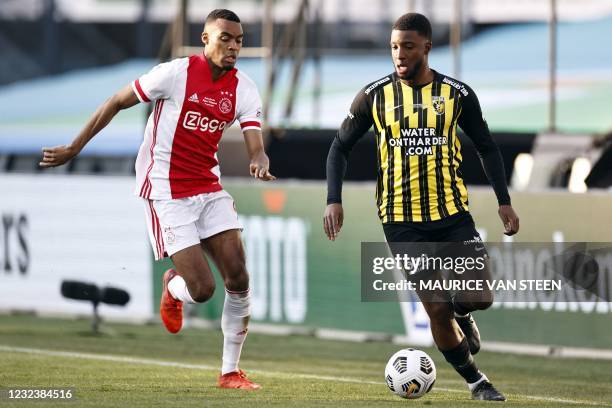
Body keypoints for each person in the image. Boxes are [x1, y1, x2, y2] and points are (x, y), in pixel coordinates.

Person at [39, 8, 273, 391]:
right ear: (205, 39)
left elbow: (254, 142)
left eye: (239, 40)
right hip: (165, 189)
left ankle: (230, 372)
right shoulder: (174, 74)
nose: (233, 47)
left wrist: (258, 159)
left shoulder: (244, 87)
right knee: (202, 290)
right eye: (225, 38)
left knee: (239, 276)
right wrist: (73, 148)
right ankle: (172, 287)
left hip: (208, 187)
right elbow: (115, 101)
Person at [324, 13, 519, 401]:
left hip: (452, 216)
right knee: (436, 310)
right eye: (395, 47)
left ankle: (464, 314)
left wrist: (504, 201)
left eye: (408, 47)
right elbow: (339, 147)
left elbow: (487, 147)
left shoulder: (457, 95)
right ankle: (477, 382)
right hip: (401, 222)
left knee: (480, 297)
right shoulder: (373, 95)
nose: (399, 54)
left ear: (427, 47)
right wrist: (334, 199)